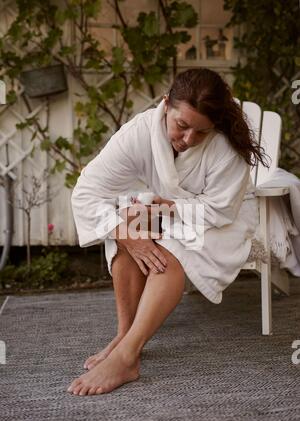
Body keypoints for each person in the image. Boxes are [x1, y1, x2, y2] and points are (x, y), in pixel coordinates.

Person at [68, 68, 268, 396]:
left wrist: (170, 210)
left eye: (201, 133)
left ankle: (127, 357)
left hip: (221, 218)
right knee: (128, 220)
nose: (188, 139)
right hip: (173, 205)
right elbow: (87, 191)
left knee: (174, 246)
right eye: (182, 125)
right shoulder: (140, 132)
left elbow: (220, 210)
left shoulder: (227, 148)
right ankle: (124, 335)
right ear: (165, 105)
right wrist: (128, 231)